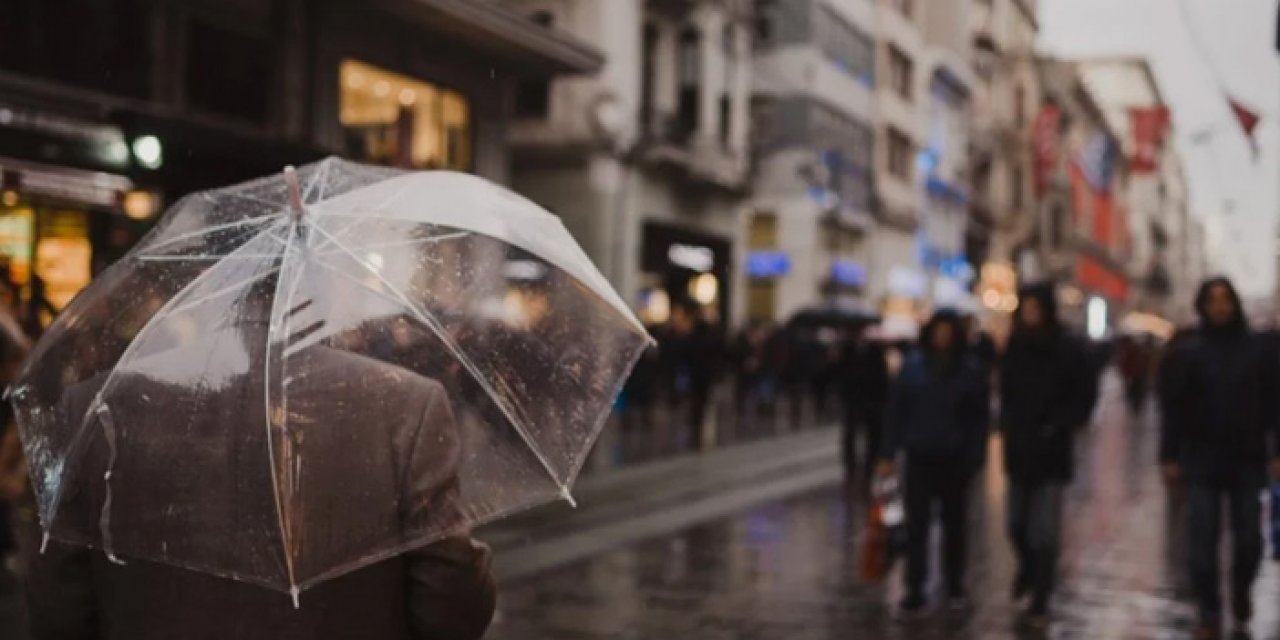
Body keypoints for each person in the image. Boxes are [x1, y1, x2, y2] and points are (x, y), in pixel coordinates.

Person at [23, 285, 496, 640]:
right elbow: (451, 605)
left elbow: (57, 605)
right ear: (318, 295)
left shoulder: (98, 407)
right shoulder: (404, 406)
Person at [1159, 278, 1280, 640]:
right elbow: (1173, 409)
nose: (1220, 306)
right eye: (1213, 300)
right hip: (1202, 460)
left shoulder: (1256, 349)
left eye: (1226, 299)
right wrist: (1169, 455)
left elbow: (1275, 403)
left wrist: (1277, 451)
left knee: (1248, 541)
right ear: (1203, 305)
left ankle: (1241, 588)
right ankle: (1209, 611)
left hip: (1247, 460)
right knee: (1201, 543)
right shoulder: (1189, 351)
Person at [877, 310, 989, 615]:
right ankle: (915, 586)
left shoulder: (969, 369)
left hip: (955, 457)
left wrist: (975, 455)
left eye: (947, 331)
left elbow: (979, 417)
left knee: (955, 525)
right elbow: (895, 411)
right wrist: (888, 453)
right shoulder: (913, 367)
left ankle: (954, 584)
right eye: (937, 331)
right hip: (920, 456)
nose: (942, 337)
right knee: (918, 525)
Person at [999, 283, 1096, 628]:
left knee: (1044, 532)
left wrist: (1062, 423)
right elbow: (1006, 392)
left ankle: (1041, 596)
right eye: (1025, 307)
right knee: (1015, 525)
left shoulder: (1067, 348)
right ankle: (1026, 567)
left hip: (1051, 452)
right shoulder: (1015, 345)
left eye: (1035, 307)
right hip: (1019, 450)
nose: (1030, 313)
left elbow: (1085, 393)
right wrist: (1008, 424)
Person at [837, 323, 889, 483]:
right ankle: (851, 465)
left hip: (871, 399)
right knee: (850, 433)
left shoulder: (874, 350)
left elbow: (881, 375)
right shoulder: (846, 350)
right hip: (853, 399)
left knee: (872, 434)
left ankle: (869, 464)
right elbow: (839, 373)